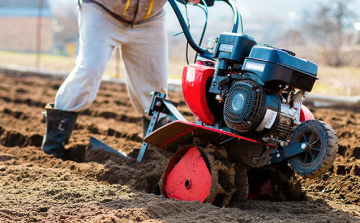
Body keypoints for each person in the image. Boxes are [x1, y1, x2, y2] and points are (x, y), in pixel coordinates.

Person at [42, 0, 200, 159]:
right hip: (102, 11)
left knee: (155, 88)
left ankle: (156, 155)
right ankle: (53, 146)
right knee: (89, 70)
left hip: (149, 19)